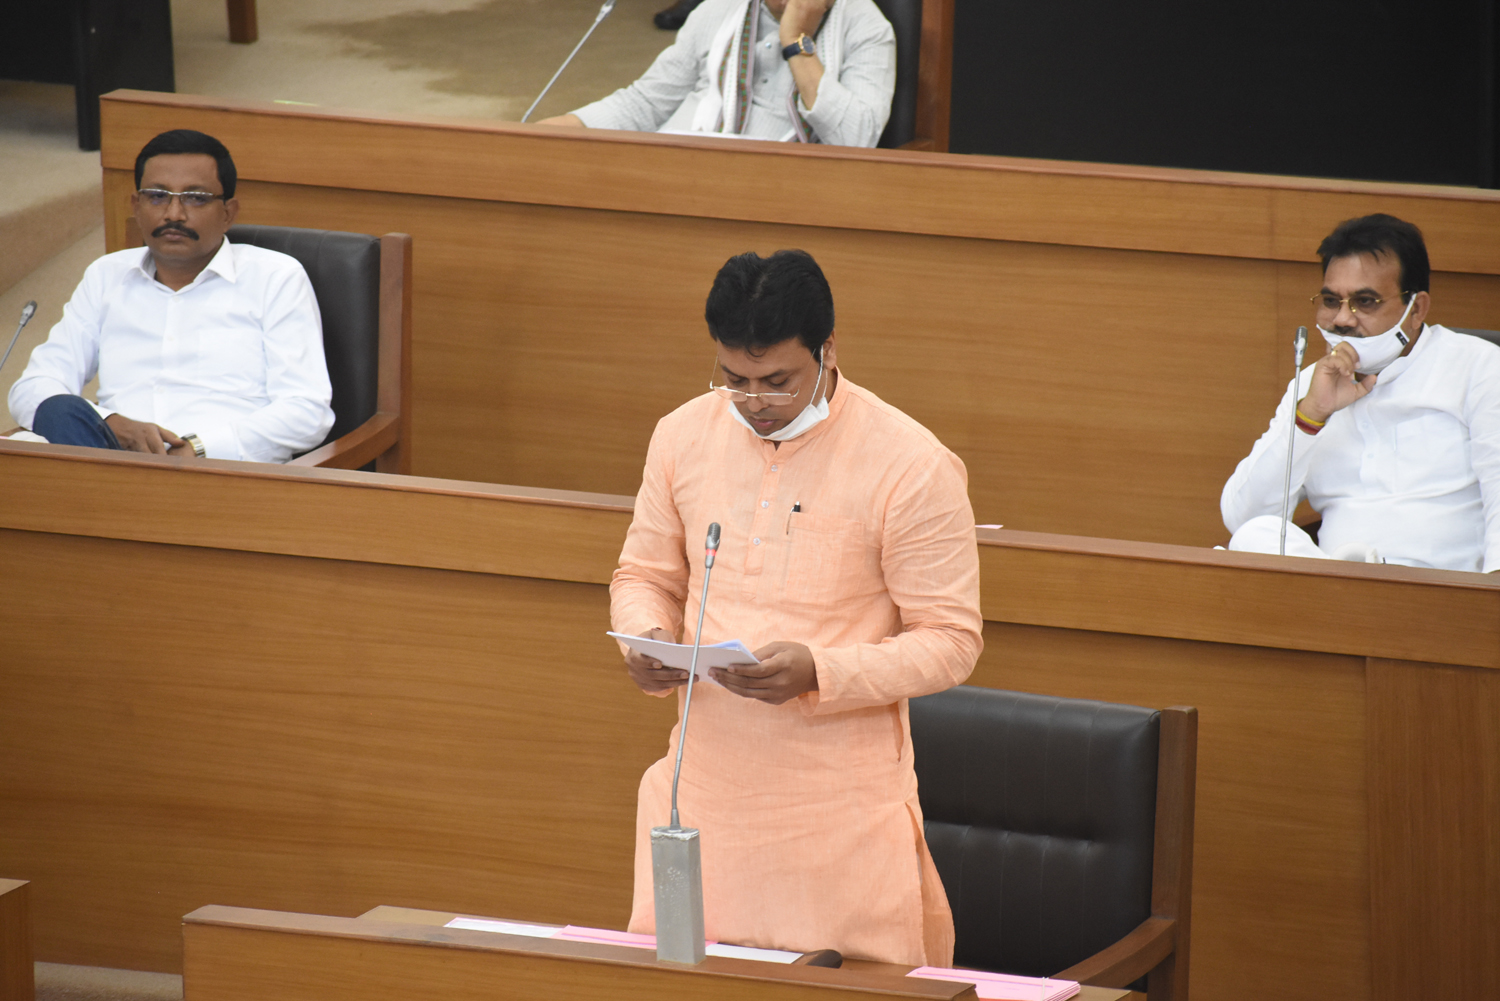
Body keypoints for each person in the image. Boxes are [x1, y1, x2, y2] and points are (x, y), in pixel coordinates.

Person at [611, 249, 981, 964]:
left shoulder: (911, 463)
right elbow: (643, 575)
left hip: (839, 819)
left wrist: (819, 670)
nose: (754, 402)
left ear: (827, 349)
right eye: (734, 380)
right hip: (701, 796)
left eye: (777, 381)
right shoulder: (682, 435)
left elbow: (951, 640)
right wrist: (645, 637)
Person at [6, 129, 333, 463]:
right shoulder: (107, 275)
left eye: (195, 198)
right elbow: (33, 387)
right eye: (157, 196)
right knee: (54, 415)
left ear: (228, 213)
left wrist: (198, 447)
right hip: (112, 457)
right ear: (136, 206)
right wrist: (110, 423)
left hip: (219, 471)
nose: (174, 214)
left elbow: (306, 410)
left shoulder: (275, 278)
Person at [1221, 213, 1500, 573]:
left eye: (1365, 302)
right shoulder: (1312, 385)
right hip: (1337, 589)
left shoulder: (1479, 367)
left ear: (1416, 309)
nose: (1342, 319)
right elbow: (1243, 518)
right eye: (1331, 301)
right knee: (1255, 535)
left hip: (1441, 589)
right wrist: (1311, 417)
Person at [538, 0, 895, 147]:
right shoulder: (718, 8)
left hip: (780, 202)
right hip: (677, 173)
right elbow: (645, 104)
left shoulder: (866, 27)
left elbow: (857, 139)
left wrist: (795, 39)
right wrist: (563, 126)